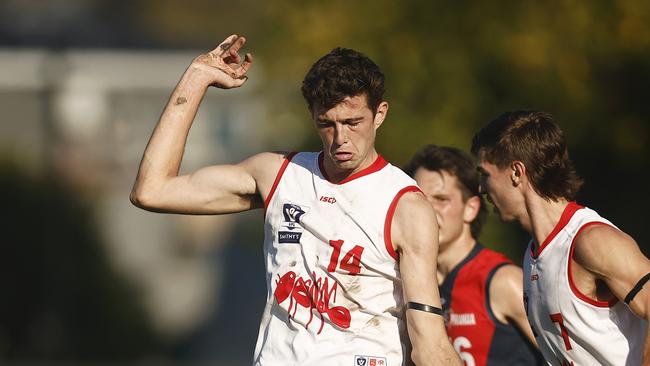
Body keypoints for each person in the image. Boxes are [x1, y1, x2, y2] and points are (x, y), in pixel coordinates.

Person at [130, 34, 460, 366]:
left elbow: (429, 343)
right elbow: (152, 190)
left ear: (380, 114)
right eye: (326, 124)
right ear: (312, 116)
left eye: (353, 122)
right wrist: (197, 77)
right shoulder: (278, 174)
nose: (341, 138)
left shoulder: (405, 205)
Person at [471, 110, 650, 365]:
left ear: (516, 172)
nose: (481, 187)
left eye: (485, 174)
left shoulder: (590, 240)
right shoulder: (533, 255)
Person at [404, 144, 542, 365]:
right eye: (420, 199)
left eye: (441, 199)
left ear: (471, 208)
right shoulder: (404, 282)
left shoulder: (503, 281)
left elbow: (568, 357)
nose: (427, 210)